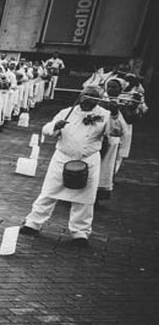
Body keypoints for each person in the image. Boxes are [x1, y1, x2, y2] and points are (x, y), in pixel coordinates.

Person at [19, 87, 113, 245]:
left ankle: (80, 233)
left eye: (93, 96)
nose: (87, 99)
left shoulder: (105, 115)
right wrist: (56, 126)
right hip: (62, 158)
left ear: (99, 99)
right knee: (49, 192)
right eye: (85, 95)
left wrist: (116, 114)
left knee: (85, 199)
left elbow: (115, 132)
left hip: (88, 160)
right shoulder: (67, 112)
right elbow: (46, 129)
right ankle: (33, 223)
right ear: (80, 96)